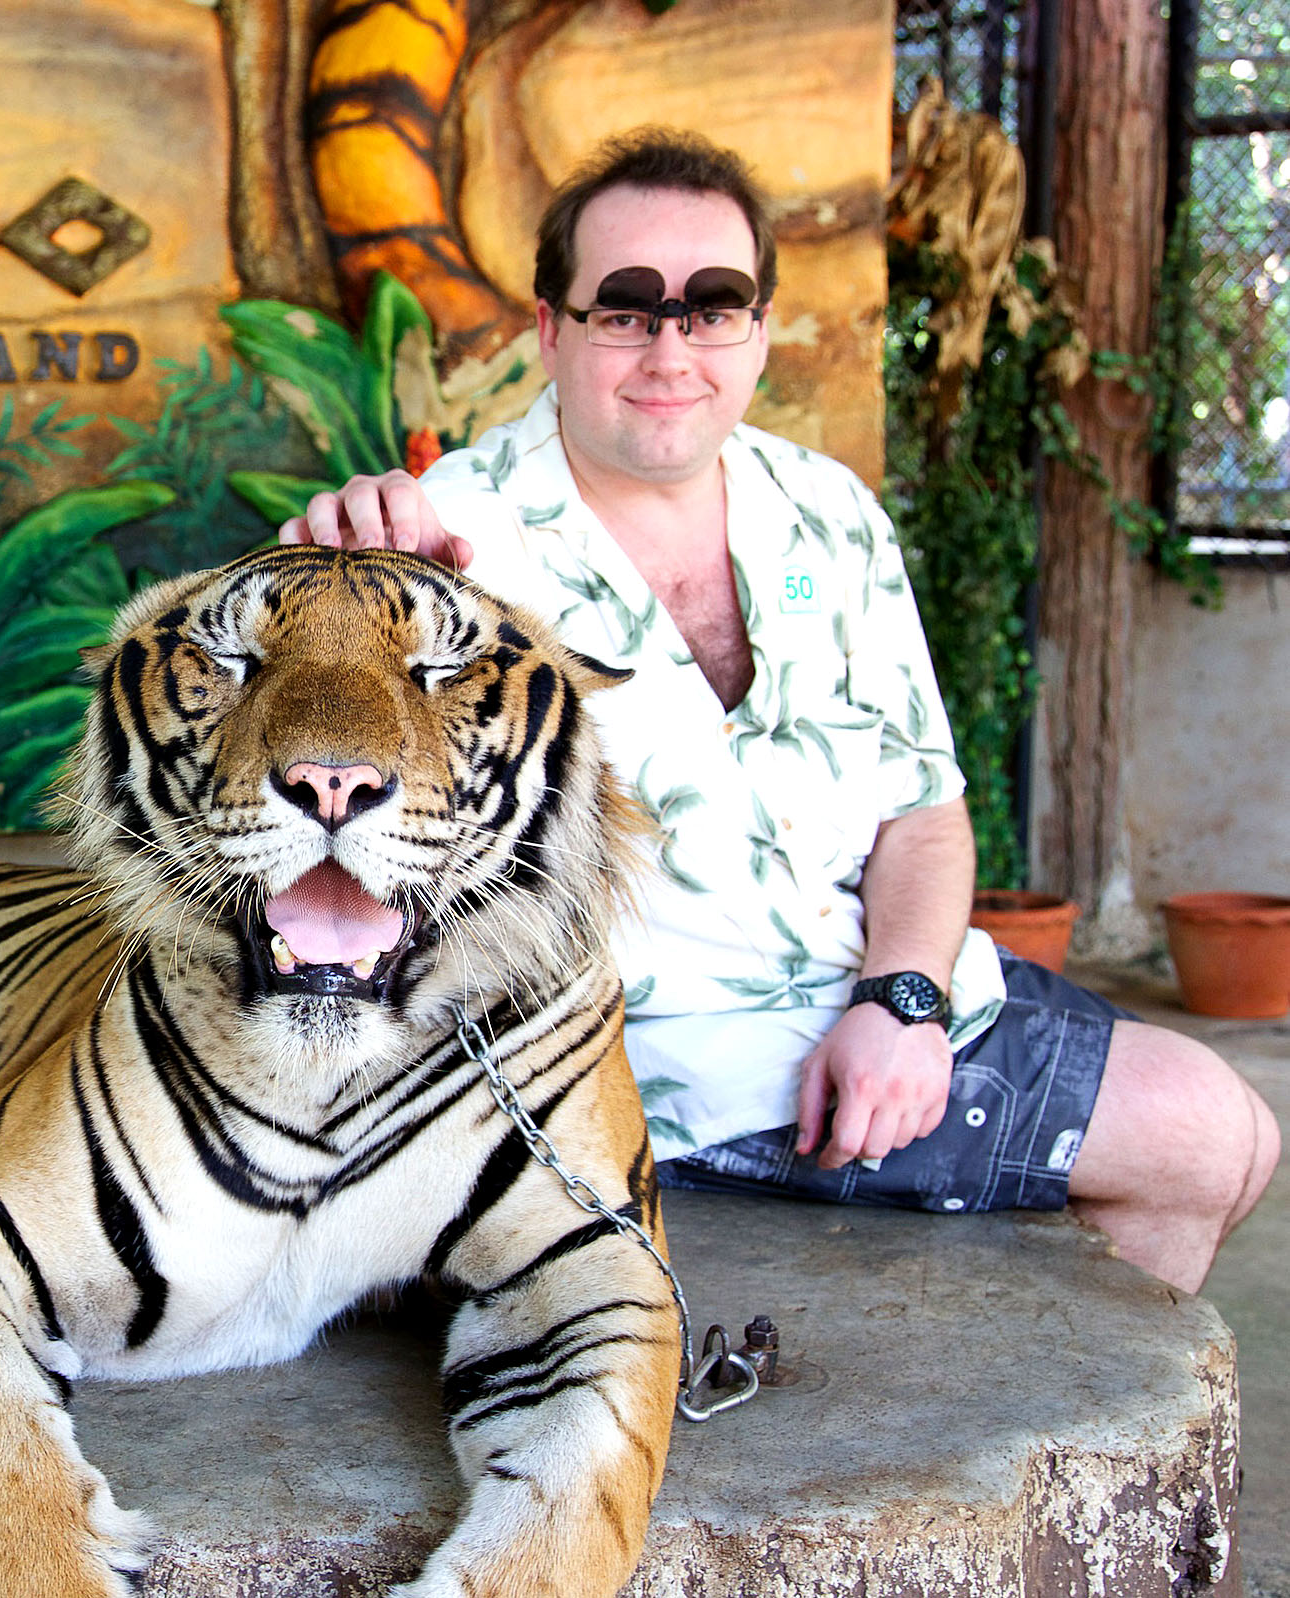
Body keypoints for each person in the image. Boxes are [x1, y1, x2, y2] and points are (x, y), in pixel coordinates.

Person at [283, 127, 1278, 1294]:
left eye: (712, 305)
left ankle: (1014, 1417)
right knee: (1204, 1134)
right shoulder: (442, 544)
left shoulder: (828, 512)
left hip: (881, 996)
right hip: (672, 1077)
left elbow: (924, 813)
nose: (670, 347)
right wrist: (342, 589)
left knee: (1247, 1143)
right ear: (550, 328)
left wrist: (902, 999)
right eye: (625, 308)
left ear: (758, 329)